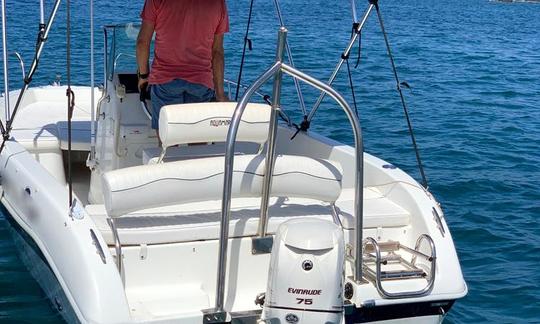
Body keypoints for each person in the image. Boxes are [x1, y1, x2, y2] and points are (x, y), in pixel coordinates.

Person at [136, 0, 230, 135]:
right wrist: (220, 94)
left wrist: (144, 76)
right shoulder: (218, 3)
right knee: (197, 142)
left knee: (168, 142)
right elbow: (217, 52)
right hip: (201, 82)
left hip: (165, 82)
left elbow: (142, 42)